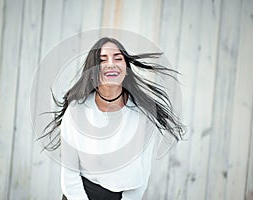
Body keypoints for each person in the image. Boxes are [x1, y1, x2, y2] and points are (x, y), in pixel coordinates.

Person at [41, 37, 184, 200]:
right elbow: (69, 176)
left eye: (118, 58)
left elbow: (142, 175)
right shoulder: (76, 110)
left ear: (126, 67)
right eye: (103, 59)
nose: (111, 64)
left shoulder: (144, 115)